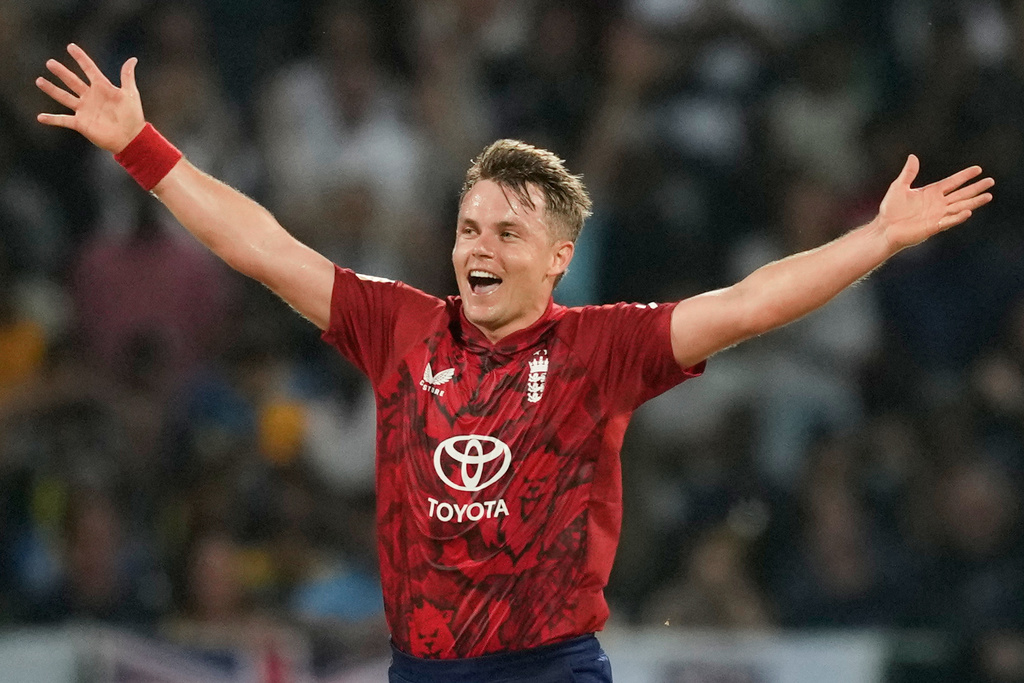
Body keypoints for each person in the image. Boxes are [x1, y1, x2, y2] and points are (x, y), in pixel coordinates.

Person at [35, 44, 993, 683]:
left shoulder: (600, 348)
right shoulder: (398, 326)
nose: (477, 246)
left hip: (549, 668)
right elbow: (265, 248)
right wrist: (142, 148)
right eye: (465, 228)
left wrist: (876, 237)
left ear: (558, 256)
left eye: (505, 229)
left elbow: (749, 303)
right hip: (419, 666)